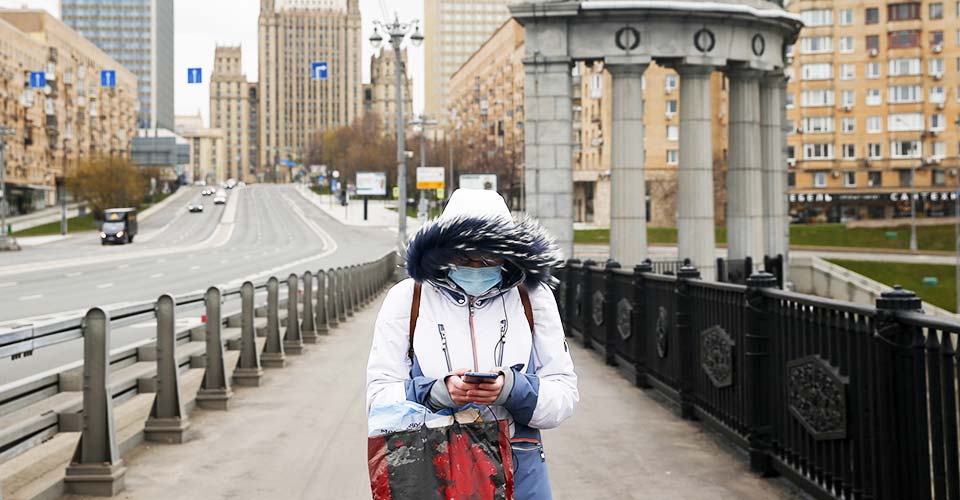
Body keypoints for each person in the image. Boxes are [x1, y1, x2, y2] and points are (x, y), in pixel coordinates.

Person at [367, 189, 579, 500]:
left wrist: (513, 389)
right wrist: (438, 392)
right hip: (431, 473)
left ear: (508, 255)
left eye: (489, 257)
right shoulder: (407, 298)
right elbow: (378, 401)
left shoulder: (533, 297)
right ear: (444, 252)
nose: (477, 267)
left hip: (520, 475)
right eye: (465, 257)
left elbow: (563, 395)